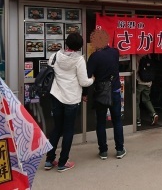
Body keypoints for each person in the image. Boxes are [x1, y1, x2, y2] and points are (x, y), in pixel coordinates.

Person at [44, 33, 94, 172]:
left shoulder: (54, 56)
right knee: (68, 130)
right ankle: (62, 162)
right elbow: (84, 81)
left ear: (66, 43)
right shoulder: (79, 60)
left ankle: (49, 160)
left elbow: (51, 72)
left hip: (56, 96)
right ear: (79, 47)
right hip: (71, 99)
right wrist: (93, 79)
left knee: (57, 128)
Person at [85, 29, 126, 160]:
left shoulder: (94, 56)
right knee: (117, 121)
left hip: (100, 93)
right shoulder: (115, 52)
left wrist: (85, 93)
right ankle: (120, 149)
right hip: (114, 91)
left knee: (101, 122)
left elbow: (87, 76)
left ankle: (103, 151)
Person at [136, 54, 159, 127]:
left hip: (140, 82)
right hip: (149, 82)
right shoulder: (149, 56)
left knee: (136, 101)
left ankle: (138, 121)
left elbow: (135, 70)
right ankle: (153, 113)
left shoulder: (138, 57)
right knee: (146, 99)